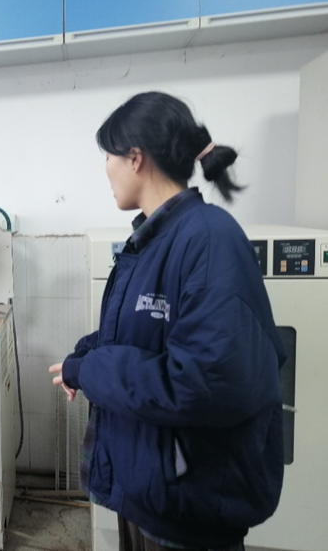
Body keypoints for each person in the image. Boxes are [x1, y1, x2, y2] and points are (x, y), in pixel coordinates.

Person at [49, 92, 286, 551]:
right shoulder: (154, 238)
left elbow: (203, 380)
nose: (105, 169)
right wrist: (87, 352)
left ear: (135, 158)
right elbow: (144, 332)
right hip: (147, 489)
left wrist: (93, 369)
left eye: (108, 156)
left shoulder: (208, 237)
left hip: (185, 506)